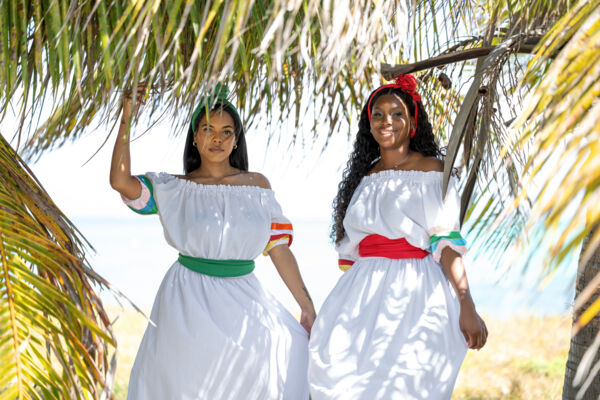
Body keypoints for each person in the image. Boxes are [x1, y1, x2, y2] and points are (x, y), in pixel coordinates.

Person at [109, 84, 316, 399]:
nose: (217, 138)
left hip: (245, 298)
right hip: (186, 300)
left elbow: (279, 249)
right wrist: (126, 115)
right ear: (194, 136)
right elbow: (120, 181)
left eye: (226, 131)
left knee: (252, 381)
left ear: (236, 140)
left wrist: (306, 305)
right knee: (186, 386)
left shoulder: (257, 186)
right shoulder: (172, 188)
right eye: (208, 129)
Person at [308, 74, 487, 399]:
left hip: (416, 294)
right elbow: (353, 251)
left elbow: (446, 245)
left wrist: (466, 303)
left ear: (413, 122)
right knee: (345, 383)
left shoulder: (433, 171)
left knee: (406, 386)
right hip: (360, 295)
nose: (385, 121)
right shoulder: (364, 178)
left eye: (396, 114)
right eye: (378, 114)